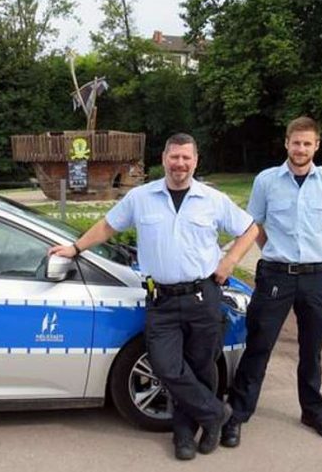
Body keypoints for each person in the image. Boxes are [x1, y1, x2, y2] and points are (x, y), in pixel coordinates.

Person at [50, 133, 257, 460]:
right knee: (166, 366)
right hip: (161, 299)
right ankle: (216, 413)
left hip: (203, 295)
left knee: (201, 367)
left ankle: (186, 434)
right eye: (174, 157)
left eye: (186, 158)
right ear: (164, 159)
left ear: (195, 160)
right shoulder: (141, 197)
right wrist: (75, 248)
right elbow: (107, 226)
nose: (180, 164)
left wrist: (230, 260)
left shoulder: (212, 199)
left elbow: (250, 229)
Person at [221, 116, 322, 448]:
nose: (301, 148)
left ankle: (313, 410)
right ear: (287, 143)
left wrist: (310, 251)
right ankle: (238, 413)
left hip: (316, 277)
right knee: (259, 346)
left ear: (316, 145)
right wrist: (278, 253)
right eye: (296, 142)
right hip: (276, 274)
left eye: (308, 143)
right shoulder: (267, 181)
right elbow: (256, 226)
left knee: (312, 349)